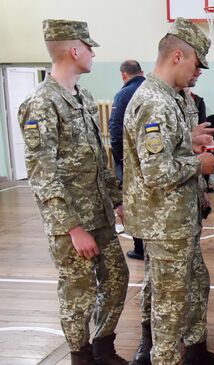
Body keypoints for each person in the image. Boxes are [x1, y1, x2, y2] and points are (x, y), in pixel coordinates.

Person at [18, 19, 129, 365]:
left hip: (98, 213)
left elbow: (98, 158)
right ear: (74, 50)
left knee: (117, 279)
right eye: (89, 46)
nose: (94, 52)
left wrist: (117, 200)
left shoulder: (83, 97)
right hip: (72, 224)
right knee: (78, 294)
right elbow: (42, 173)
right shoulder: (41, 104)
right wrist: (73, 228)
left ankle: (103, 346)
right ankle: (80, 357)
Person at [122, 18, 214, 365]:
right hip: (165, 222)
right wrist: (198, 164)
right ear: (178, 56)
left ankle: (196, 351)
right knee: (169, 307)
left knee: (195, 284)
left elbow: (165, 150)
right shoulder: (154, 102)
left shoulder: (166, 97)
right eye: (197, 64)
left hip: (175, 220)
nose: (197, 72)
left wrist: (190, 139)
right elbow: (156, 172)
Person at [109, 59, 146, 260]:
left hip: (130, 159)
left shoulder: (123, 95)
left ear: (123, 75)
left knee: (133, 202)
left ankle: (139, 247)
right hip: (151, 158)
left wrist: (120, 159)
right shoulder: (153, 91)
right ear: (141, 72)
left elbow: (115, 130)